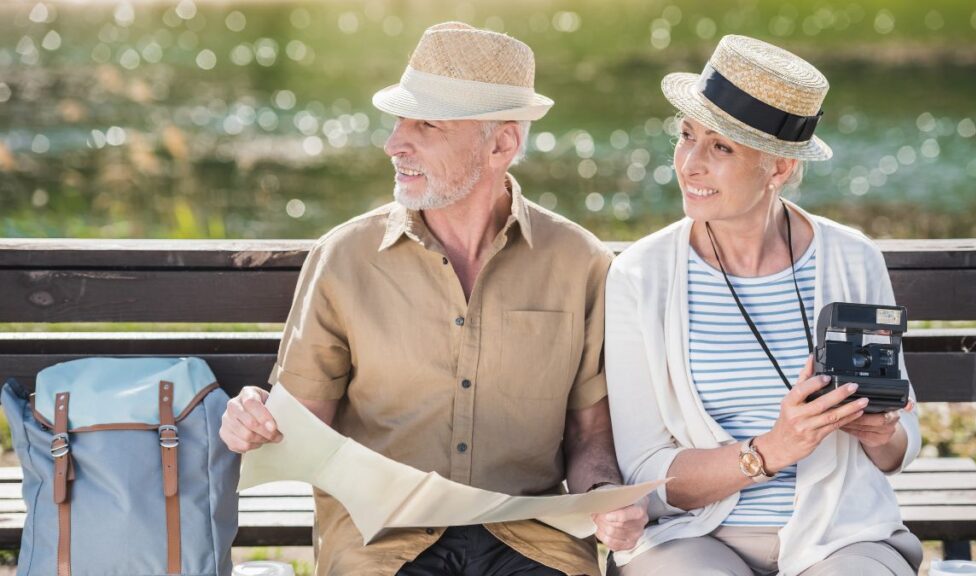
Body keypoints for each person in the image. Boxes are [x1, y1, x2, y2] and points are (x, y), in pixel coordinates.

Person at [219, 22, 645, 576]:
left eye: (426, 124)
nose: (395, 143)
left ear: (502, 143)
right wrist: (253, 422)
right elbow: (298, 426)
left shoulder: (578, 262)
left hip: (531, 540)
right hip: (383, 540)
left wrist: (606, 498)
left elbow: (590, 441)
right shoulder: (346, 258)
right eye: (398, 121)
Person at [604, 35, 923, 575]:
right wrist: (770, 450)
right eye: (686, 137)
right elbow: (646, 472)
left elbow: (902, 441)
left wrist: (883, 433)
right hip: (694, 537)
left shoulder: (852, 258)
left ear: (777, 169)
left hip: (841, 536)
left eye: (720, 147)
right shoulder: (640, 275)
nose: (689, 164)